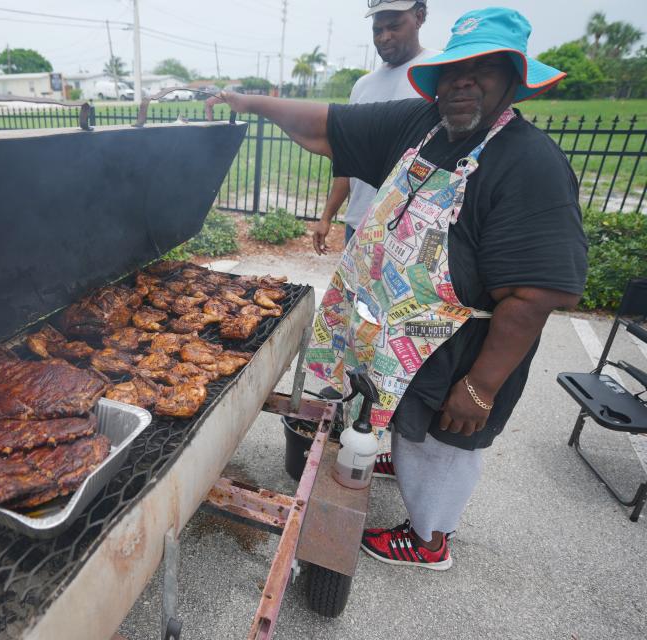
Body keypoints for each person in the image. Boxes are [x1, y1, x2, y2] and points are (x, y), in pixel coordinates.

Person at [207, 7, 588, 570]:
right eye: (454, 68)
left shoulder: (529, 162)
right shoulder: (423, 125)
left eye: (483, 68)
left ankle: (430, 539)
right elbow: (326, 125)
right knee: (401, 421)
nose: (463, 80)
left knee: (443, 443)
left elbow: (535, 295)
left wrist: (481, 387)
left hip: (459, 351)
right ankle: (400, 453)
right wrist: (249, 102)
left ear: (513, 76)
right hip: (390, 333)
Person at [313, 0, 437, 253]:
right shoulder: (363, 86)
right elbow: (348, 158)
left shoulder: (439, 72)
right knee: (354, 293)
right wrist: (327, 216)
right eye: (377, 30)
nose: (384, 37)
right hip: (359, 223)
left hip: (411, 229)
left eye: (394, 26)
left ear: (420, 17)